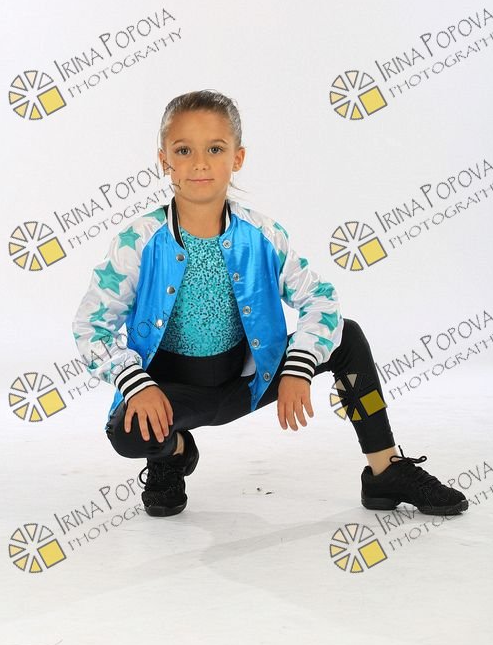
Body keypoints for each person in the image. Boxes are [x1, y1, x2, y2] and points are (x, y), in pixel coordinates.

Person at [72, 90, 469, 519]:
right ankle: (173, 453)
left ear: (238, 158)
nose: (200, 163)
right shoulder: (138, 241)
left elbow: (320, 299)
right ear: (164, 160)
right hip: (173, 395)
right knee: (127, 431)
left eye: (215, 149)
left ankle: (384, 469)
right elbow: (91, 325)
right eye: (184, 150)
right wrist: (138, 384)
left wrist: (299, 365)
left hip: (250, 380)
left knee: (348, 337)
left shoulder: (263, 235)